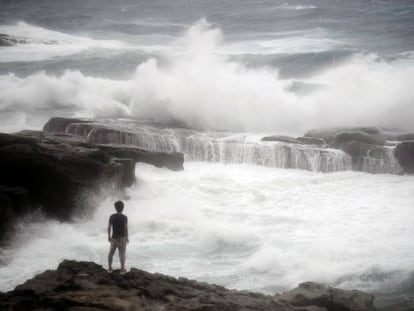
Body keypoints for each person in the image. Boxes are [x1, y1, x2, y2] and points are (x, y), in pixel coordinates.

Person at [107, 200, 128, 274]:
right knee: (122, 253)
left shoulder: (112, 216)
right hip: (122, 238)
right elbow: (125, 228)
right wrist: (127, 237)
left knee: (111, 253)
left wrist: (109, 236)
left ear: (115, 208)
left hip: (114, 237)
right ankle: (122, 269)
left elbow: (109, 227)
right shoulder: (124, 217)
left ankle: (109, 268)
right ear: (123, 208)